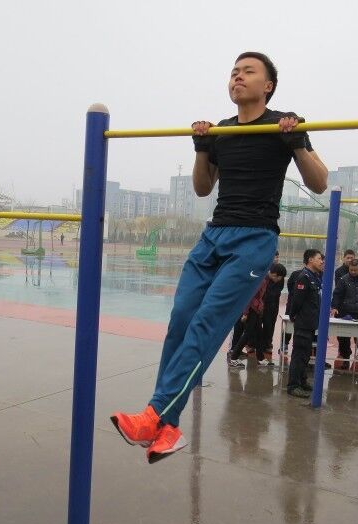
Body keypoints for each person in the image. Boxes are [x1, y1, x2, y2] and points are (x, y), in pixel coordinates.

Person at [110, 51, 329, 464]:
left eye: (248, 71)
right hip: (213, 235)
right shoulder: (223, 131)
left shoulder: (284, 124)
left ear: (268, 86)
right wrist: (202, 147)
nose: (237, 77)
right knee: (180, 320)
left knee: (206, 325)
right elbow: (201, 188)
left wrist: (298, 142)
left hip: (255, 238)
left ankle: (155, 416)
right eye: (233, 72)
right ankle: (167, 427)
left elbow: (319, 182)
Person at [228, 265, 286, 367]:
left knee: (259, 334)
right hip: (251, 309)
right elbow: (249, 296)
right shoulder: (261, 280)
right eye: (280, 278)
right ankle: (233, 358)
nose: (279, 280)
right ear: (275, 275)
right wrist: (245, 313)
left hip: (256, 310)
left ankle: (261, 359)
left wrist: (260, 308)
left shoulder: (265, 279)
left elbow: (260, 297)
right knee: (247, 334)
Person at [287, 249, 324, 398]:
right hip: (303, 322)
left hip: (310, 323)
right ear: (310, 260)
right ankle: (293, 386)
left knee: (305, 355)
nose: (322, 261)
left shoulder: (315, 277)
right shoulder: (304, 278)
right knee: (299, 355)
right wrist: (293, 315)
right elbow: (297, 301)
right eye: (319, 259)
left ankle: (302, 381)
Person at [331, 258, 358, 373]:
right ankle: (346, 357)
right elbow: (337, 294)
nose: (353, 272)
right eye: (351, 270)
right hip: (346, 311)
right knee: (343, 337)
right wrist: (335, 307)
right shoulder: (343, 279)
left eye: (355, 270)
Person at [259, 261, 286, 361]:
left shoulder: (280, 280)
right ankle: (255, 344)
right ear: (273, 274)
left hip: (273, 305)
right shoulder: (264, 278)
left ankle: (267, 344)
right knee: (259, 325)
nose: (279, 280)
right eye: (277, 277)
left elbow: (277, 291)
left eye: (281, 278)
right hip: (262, 305)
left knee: (270, 325)